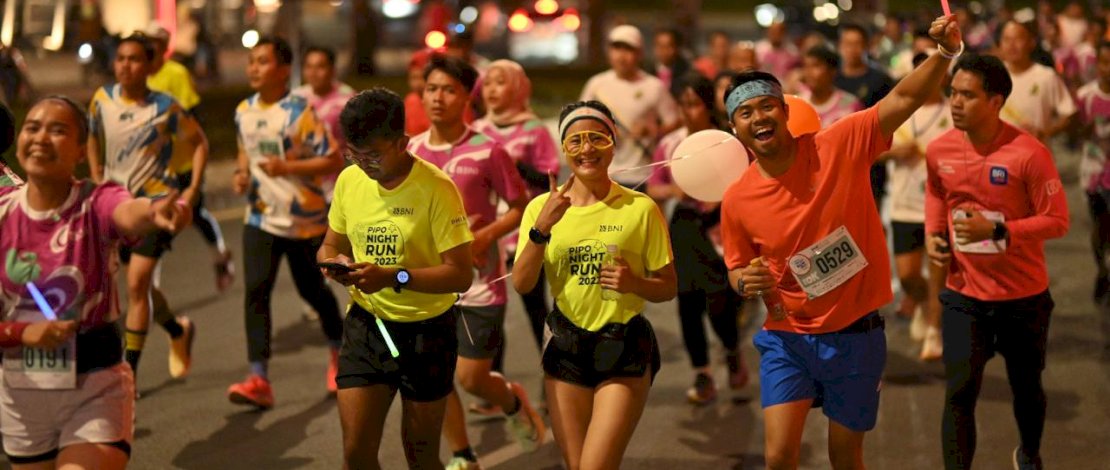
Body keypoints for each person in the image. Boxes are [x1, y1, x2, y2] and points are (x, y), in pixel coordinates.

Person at [719, 14, 962, 470]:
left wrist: (945, 53)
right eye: (745, 113)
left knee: (845, 455)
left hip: (855, 334)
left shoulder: (839, 144)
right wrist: (743, 280)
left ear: (786, 111)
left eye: (767, 106)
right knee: (778, 456)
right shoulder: (736, 199)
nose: (759, 118)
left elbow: (905, 97)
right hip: (786, 338)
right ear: (736, 128)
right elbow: (736, 268)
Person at [0, 95, 188, 470]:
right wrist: (21, 333)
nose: (41, 138)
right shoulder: (4, 212)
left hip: (95, 384)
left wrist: (155, 211)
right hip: (21, 393)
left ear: (82, 150)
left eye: (57, 130)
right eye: (33, 127)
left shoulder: (95, 201)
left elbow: (128, 213)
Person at [511, 100, 676, 469]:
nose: (587, 149)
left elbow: (667, 287)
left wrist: (634, 282)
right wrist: (542, 229)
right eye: (576, 141)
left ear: (613, 144)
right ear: (564, 149)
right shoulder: (542, 207)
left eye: (597, 139)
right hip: (566, 346)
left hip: (624, 345)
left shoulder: (640, 208)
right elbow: (522, 284)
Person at [925, 53, 1069, 470]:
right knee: (959, 392)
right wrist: (937, 236)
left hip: (1024, 298)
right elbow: (937, 193)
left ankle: (1029, 453)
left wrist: (1002, 231)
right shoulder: (939, 149)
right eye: (953, 93)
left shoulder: (1029, 153)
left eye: (968, 95)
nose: (955, 103)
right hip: (963, 295)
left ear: (996, 101)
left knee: (1026, 389)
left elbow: (1058, 220)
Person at [319, 87, 474, 469]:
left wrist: (394, 276)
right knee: (356, 454)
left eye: (372, 155)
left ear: (403, 143)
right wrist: (333, 263)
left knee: (420, 456)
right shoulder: (349, 181)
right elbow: (328, 244)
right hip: (367, 326)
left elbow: (461, 274)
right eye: (353, 154)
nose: (362, 164)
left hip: (427, 333)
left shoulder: (436, 188)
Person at [407, 55, 544, 468]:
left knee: (471, 378)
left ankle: (510, 399)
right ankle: (463, 454)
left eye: (449, 90)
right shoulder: (412, 152)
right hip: (432, 283)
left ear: (468, 96)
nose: (438, 98)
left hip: (481, 282)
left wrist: (484, 235)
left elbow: (521, 207)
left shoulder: (488, 150)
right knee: (438, 375)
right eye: (431, 89)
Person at [227, 36, 345, 408]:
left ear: (282, 70)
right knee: (256, 291)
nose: (253, 68)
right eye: (251, 61)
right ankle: (258, 377)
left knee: (312, 290)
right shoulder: (244, 109)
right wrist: (241, 174)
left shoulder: (300, 112)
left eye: (263, 62)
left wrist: (287, 167)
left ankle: (338, 351)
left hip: (304, 221)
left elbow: (332, 159)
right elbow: (244, 147)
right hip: (260, 217)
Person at [86, 34, 203, 383]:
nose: (125, 65)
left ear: (149, 65)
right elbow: (92, 134)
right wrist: (95, 174)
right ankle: (177, 329)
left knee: (137, 283)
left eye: (134, 59)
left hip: (156, 205)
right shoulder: (101, 99)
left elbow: (199, 143)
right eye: (120, 58)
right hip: (116, 208)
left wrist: (192, 189)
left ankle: (128, 376)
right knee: (142, 288)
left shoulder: (165, 107)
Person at [647, 74, 746, 405]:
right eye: (682, 105)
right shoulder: (670, 144)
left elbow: (747, 178)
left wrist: (720, 196)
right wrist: (673, 190)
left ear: (707, 107)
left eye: (694, 104)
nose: (687, 112)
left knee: (719, 301)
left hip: (720, 224)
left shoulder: (725, 140)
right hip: (685, 223)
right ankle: (702, 372)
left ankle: (731, 348)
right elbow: (653, 186)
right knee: (687, 301)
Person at [471, 59, 560, 373]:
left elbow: (550, 179)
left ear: (519, 87)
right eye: (489, 83)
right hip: (490, 230)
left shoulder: (534, 129)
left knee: (536, 307)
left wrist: (512, 165)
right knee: (492, 308)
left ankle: (555, 375)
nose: (492, 89)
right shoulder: (478, 130)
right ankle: (496, 381)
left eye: (501, 82)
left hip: (527, 231)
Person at [145, 23, 235, 293]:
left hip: (182, 161)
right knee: (154, 222)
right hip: (153, 167)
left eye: (155, 43)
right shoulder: (140, 77)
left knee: (195, 214)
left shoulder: (176, 73)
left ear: (164, 46)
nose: (150, 49)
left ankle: (220, 257)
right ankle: (150, 283)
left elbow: (194, 116)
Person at [880, 52, 953, 361]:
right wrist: (895, 152)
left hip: (942, 207)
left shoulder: (954, 112)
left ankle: (935, 332)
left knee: (939, 274)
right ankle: (924, 305)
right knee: (909, 276)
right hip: (904, 206)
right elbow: (871, 152)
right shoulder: (899, 112)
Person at [580, 24, 680, 190]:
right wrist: (601, 131)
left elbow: (675, 123)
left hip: (642, 174)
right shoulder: (596, 85)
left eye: (628, 49)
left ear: (639, 53)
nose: (621, 56)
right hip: (604, 173)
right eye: (616, 48)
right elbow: (580, 124)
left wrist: (653, 130)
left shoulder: (654, 86)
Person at [836, 22, 896, 216]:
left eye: (857, 44)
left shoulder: (880, 79)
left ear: (867, 46)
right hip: (838, 164)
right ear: (840, 46)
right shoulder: (832, 78)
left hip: (872, 163)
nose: (852, 49)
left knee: (870, 219)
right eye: (847, 44)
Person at [998, 21, 1077, 143]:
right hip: (1000, 155)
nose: (1011, 45)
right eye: (1007, 40)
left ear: (1031, 43)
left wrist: (1047, 132)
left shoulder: (1046, 76)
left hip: (1036, 154)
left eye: (1018, 39)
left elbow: (1068, 114)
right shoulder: (993, 74)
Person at [294, 46, 356, 199]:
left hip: (335, 188)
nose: (313, 73)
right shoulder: (295, 98)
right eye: (308, 66)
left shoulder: (347, 100)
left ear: (332, 70)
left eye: (320, 66)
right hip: (302, 188)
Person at [1076, 41, 1110, 302]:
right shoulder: (1085, 95)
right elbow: (1078, 132)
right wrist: (1085, 129)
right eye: (1105, 62)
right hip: (1095, 174)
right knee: (1099, 226)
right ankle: (1102, 269)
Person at [798, 45, 864, 128]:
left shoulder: (850, 106)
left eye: (815, 66)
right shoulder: (798, 104)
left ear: (832, 71)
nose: (808, 72)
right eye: (806, 66)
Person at [652, 28, 693, 97]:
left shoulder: (686, 72)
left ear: (677, 48)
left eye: (668, 46)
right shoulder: (646, 71)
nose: (664, 51)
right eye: (660, 46)